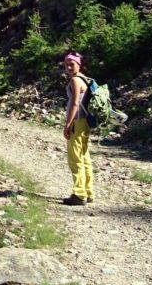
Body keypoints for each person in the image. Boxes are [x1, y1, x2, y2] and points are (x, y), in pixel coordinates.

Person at [62, 51, 94, 205]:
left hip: (77, 122)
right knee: (84, 157)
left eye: (72, 64)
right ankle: (88, 192)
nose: (68, 67)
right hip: (86, 122)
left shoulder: (75, 80)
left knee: (75, 159)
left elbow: (75, 103)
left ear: (79, 64)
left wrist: (68, 124)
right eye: (66, 64)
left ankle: (79, 194)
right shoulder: (85, 79)